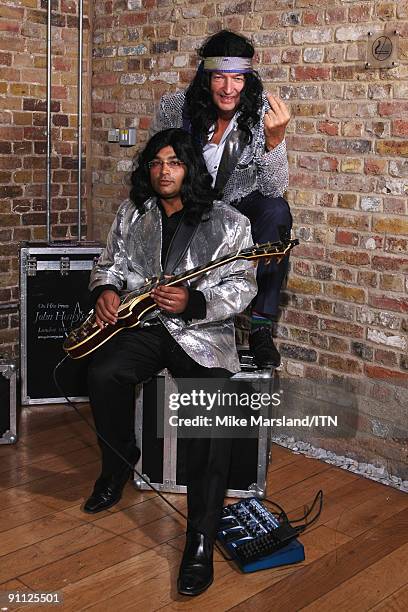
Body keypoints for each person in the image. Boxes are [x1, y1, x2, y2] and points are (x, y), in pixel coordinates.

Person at [84, 128, 257, 596]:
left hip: (201, 335)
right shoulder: (133, 212)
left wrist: (195, 303)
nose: (164, 171)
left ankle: (200, 535)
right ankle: (119, 463)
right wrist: (105, 290)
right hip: (144, 327)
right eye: (157, 162)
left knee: (212, 413)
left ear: (190, 169)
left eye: (174, 163)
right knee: (102, 374)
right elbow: (109, 263)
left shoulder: (229, 222)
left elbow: (242, 287)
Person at [153, 30, 292, 368]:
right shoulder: (175, 109)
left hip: (236, 207)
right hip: (190, 205)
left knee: (276, 210)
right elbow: (158, 164)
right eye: (220, 77)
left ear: (248, 78)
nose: (229, 88)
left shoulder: (261, 115)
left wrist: (276, 141)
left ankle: (260, 328)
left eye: (237, 78)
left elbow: (274, 186)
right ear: (206, 77)